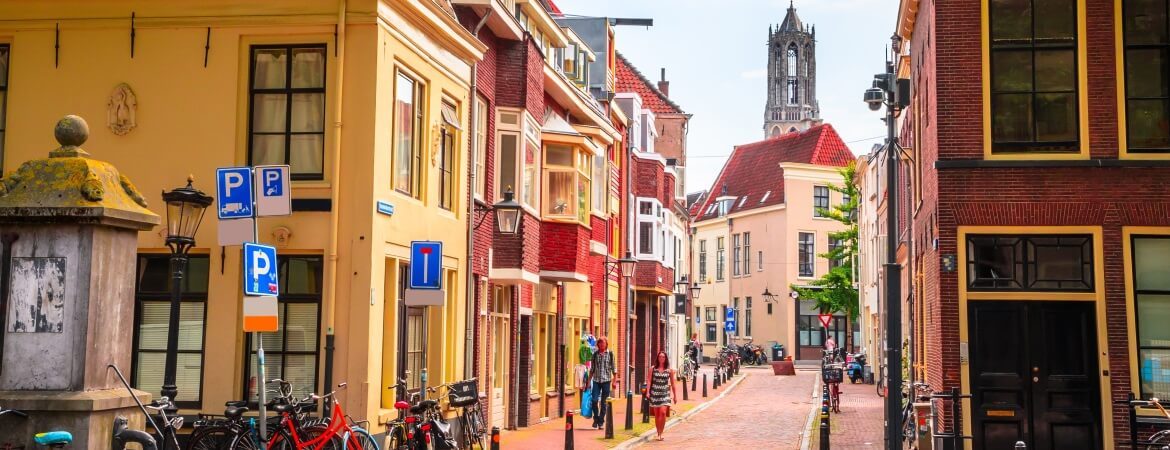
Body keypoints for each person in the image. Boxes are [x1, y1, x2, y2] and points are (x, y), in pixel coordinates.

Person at [645, 350, 678, 441]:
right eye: (660, 356)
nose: (661, 358)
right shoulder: (653, 368)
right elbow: (649, 381)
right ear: (658, 358)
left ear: (666, 358)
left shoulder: (669, 370)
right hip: (655, 393)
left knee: (663, 413)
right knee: (657, 414)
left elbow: (673, 383)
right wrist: (648, 392)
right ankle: (658, 432)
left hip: (665, 393)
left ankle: (661, 432)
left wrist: (675, 396)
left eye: (663, 357)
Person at [588, 337, 617, 429]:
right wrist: (588, 382)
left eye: (603, 343)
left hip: (606, 381)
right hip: (596, 380)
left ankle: (601, 421)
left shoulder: (610, 354)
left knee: (604, 403)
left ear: (606, 344)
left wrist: (614, 381)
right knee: (594, 400)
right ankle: (596, 419)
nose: (601, 345)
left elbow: (614, 368)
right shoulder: (595, 355)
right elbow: (592, 369)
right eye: (599, 343)